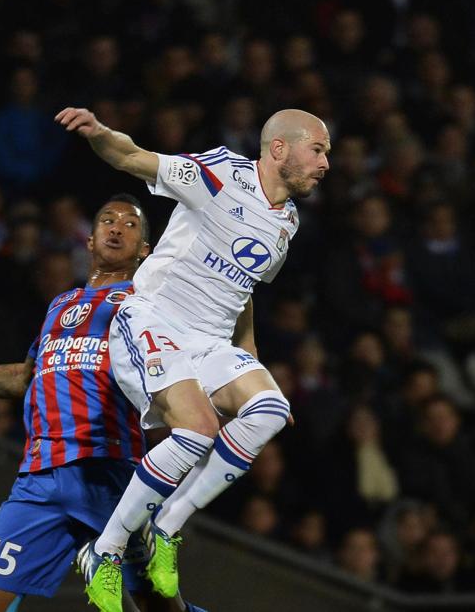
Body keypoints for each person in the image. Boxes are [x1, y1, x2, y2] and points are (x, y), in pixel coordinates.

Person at [54, 105, 329, 608]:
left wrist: (252, 362)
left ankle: (164, 526)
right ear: (279, 149)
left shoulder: (286, 221)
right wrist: (97, 134)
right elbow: (133, 156)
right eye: (318, 150)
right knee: (199, 428)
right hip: (154, 319)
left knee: (271, 410)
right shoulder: (221, 175)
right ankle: (106, 550)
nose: (326, 162)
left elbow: (242, 291)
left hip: (209, 340)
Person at [0, 195, 208, 612]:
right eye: (106, 220)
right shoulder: (60, 305)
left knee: (159, 606)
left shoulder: (148, 303)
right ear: (90, 241)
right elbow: (24, 378)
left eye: (130, 224)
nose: (116, 227)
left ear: (146, 250)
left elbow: (202, 347)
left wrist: (245, 391)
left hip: (109, 470)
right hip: (39, 477)